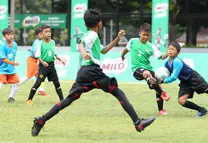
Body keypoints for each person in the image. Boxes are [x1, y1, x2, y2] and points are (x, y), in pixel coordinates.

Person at [31, 9, 156, 137]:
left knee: (68, 100)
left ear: (85, 24)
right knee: (117, 92)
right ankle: (138, 123)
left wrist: (117, 39)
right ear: (100, 23)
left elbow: (103, 51)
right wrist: (84, 53)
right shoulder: (92, 35)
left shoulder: (90, 35)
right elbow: (81, 45)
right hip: (93, 71)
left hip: (83, 73)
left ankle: (41, 120)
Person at [121, 23, 170, 115]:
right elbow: (126, 49)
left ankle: (161, 110)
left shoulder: (151, 46)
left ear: (150, 36)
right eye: (144, 35)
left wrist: (168, 52)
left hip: (148, 69)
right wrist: (122, 56)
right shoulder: (132, 41)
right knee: (147, 74)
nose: (145, 37)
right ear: (139, 33)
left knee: (157, 83)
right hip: (137, 70)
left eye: (147, 35)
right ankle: (163, 93)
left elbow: (161, 56)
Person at [26, 25, 65, 104]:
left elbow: (54, 54)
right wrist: (43, 62)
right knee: (38, 82)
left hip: (51, 66)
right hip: (43, 67)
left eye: (49, 32)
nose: (48, 33)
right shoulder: (40, 44)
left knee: (56, 83)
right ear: (42, 34)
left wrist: (60, 59)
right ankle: (29, 99)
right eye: (46, 32)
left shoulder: (53, 42)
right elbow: (37, 56)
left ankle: (62, 100)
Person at [18, 27, 48, 97]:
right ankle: (15, 85)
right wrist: (41, 60)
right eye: (41, 34)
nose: (43, 35)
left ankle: (41, 91)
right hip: (32, 60)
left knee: (41, 76)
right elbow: (35, 53)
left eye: (43, 33)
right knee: (28, 76)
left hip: (36, 61)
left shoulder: (41, 42)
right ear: (37, 35)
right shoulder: (37, 42)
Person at [0, 28, 19, 102]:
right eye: (8, 35)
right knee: (1, 83)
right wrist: (14, 63)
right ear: (4, 37)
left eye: (12, 34)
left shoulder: (15, 45)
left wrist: (15, 61)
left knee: (16, 82)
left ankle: (11, 98)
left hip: (11, 69)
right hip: (3, 69)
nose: (10, 36)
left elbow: (14, 55)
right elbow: (3, 59)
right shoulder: (3, 46)